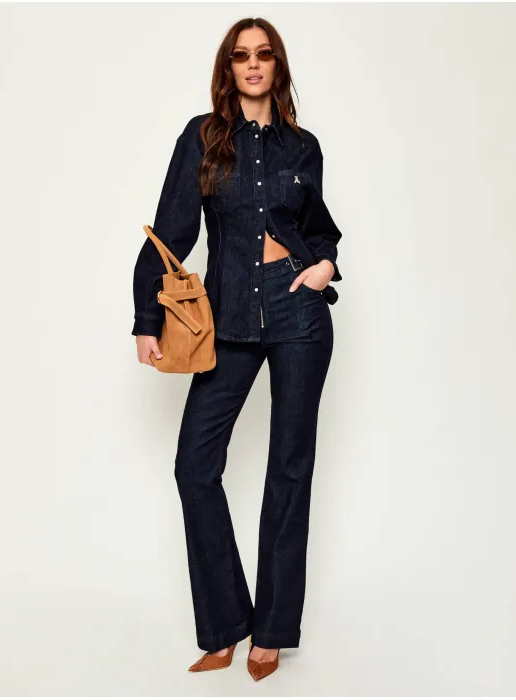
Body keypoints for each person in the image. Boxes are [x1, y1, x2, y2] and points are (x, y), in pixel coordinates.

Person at [132, 17, 343, 682]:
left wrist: (323, 267)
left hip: (299, 310)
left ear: (277, 66)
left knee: (289, 469)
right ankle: (225, 623)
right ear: (229, 68)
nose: (254, 65)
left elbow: (318, 228)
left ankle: (271, 631)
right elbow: (171, 230)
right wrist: (146, 316)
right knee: (195, 466)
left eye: (264, 55)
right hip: (228, 320)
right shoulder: (202, 138)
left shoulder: (303, 148)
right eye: (242, 56)